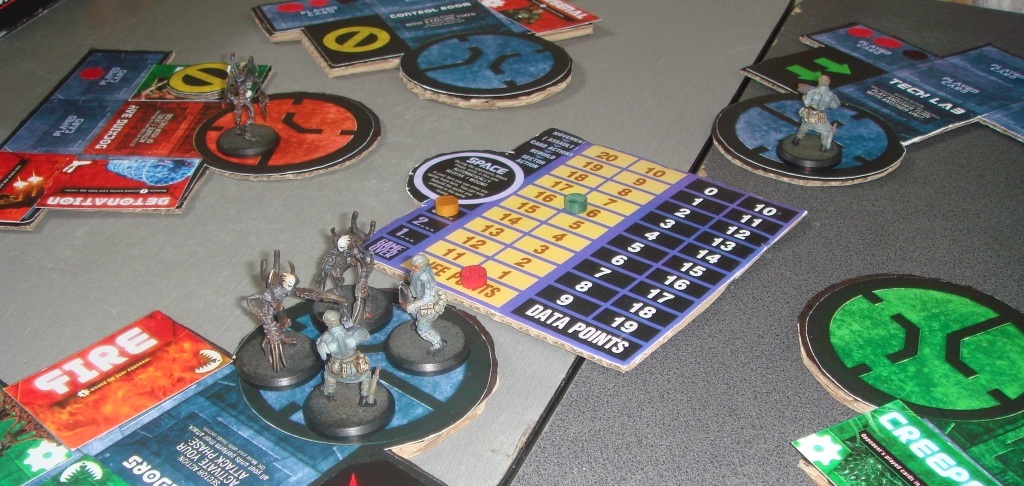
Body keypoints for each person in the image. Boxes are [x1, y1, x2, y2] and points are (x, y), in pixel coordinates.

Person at [402, 253, 447, 353]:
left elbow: (428, 297)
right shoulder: (415, 273)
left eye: (415, 266)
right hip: (418, 298)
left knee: (422, 329)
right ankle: (418, 321)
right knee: (413, 311)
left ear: (422, 266)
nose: (412, 268)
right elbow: (413, 285)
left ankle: (438, 343)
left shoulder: (427, 279)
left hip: (428, 305)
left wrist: (414, 304)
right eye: (412, 266)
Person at [794, 75, 841, 151]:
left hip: (808, 114)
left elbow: (806, 103)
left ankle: (797, 139)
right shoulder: (830, 95)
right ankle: (823, 147)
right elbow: (834, 106)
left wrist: (804, 97)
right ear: (829, 83)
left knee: (804, 126)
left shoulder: (812, 91)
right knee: (826, 131)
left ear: (819, 81)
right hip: (819, 117)